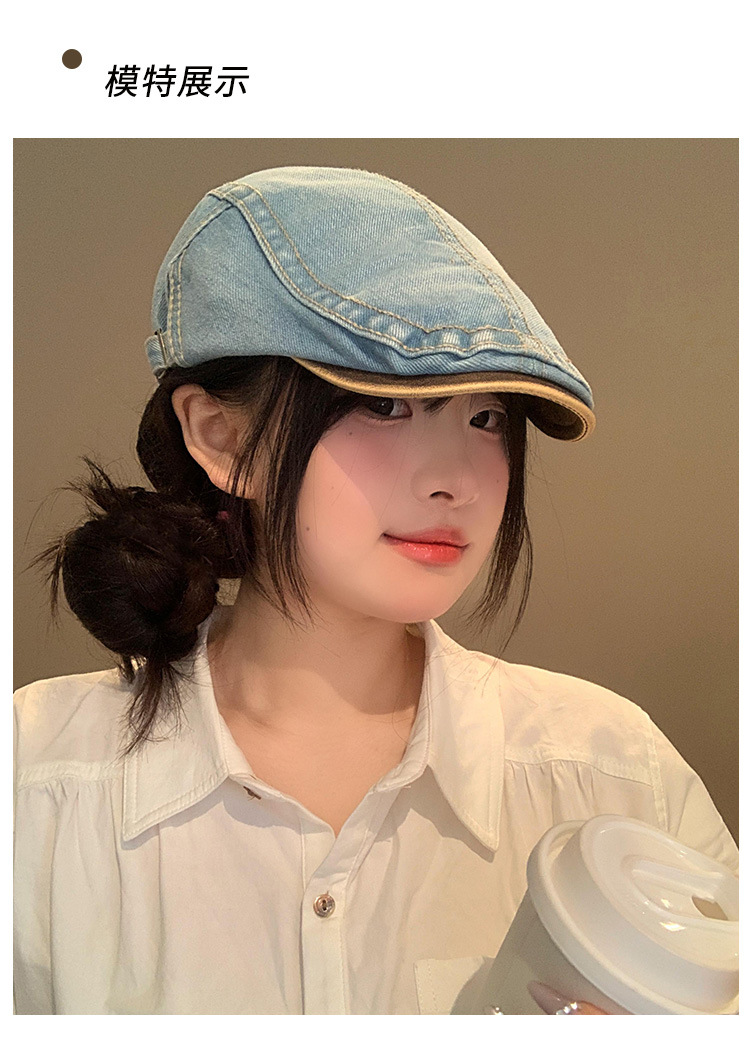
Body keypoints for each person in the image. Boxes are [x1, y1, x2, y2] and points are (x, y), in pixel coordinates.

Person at [13, 167, 738, 1015]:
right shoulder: (36, 782)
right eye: (386, 406)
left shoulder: (613, 775)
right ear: (222, 436)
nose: (455, 480)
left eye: (486, 417)